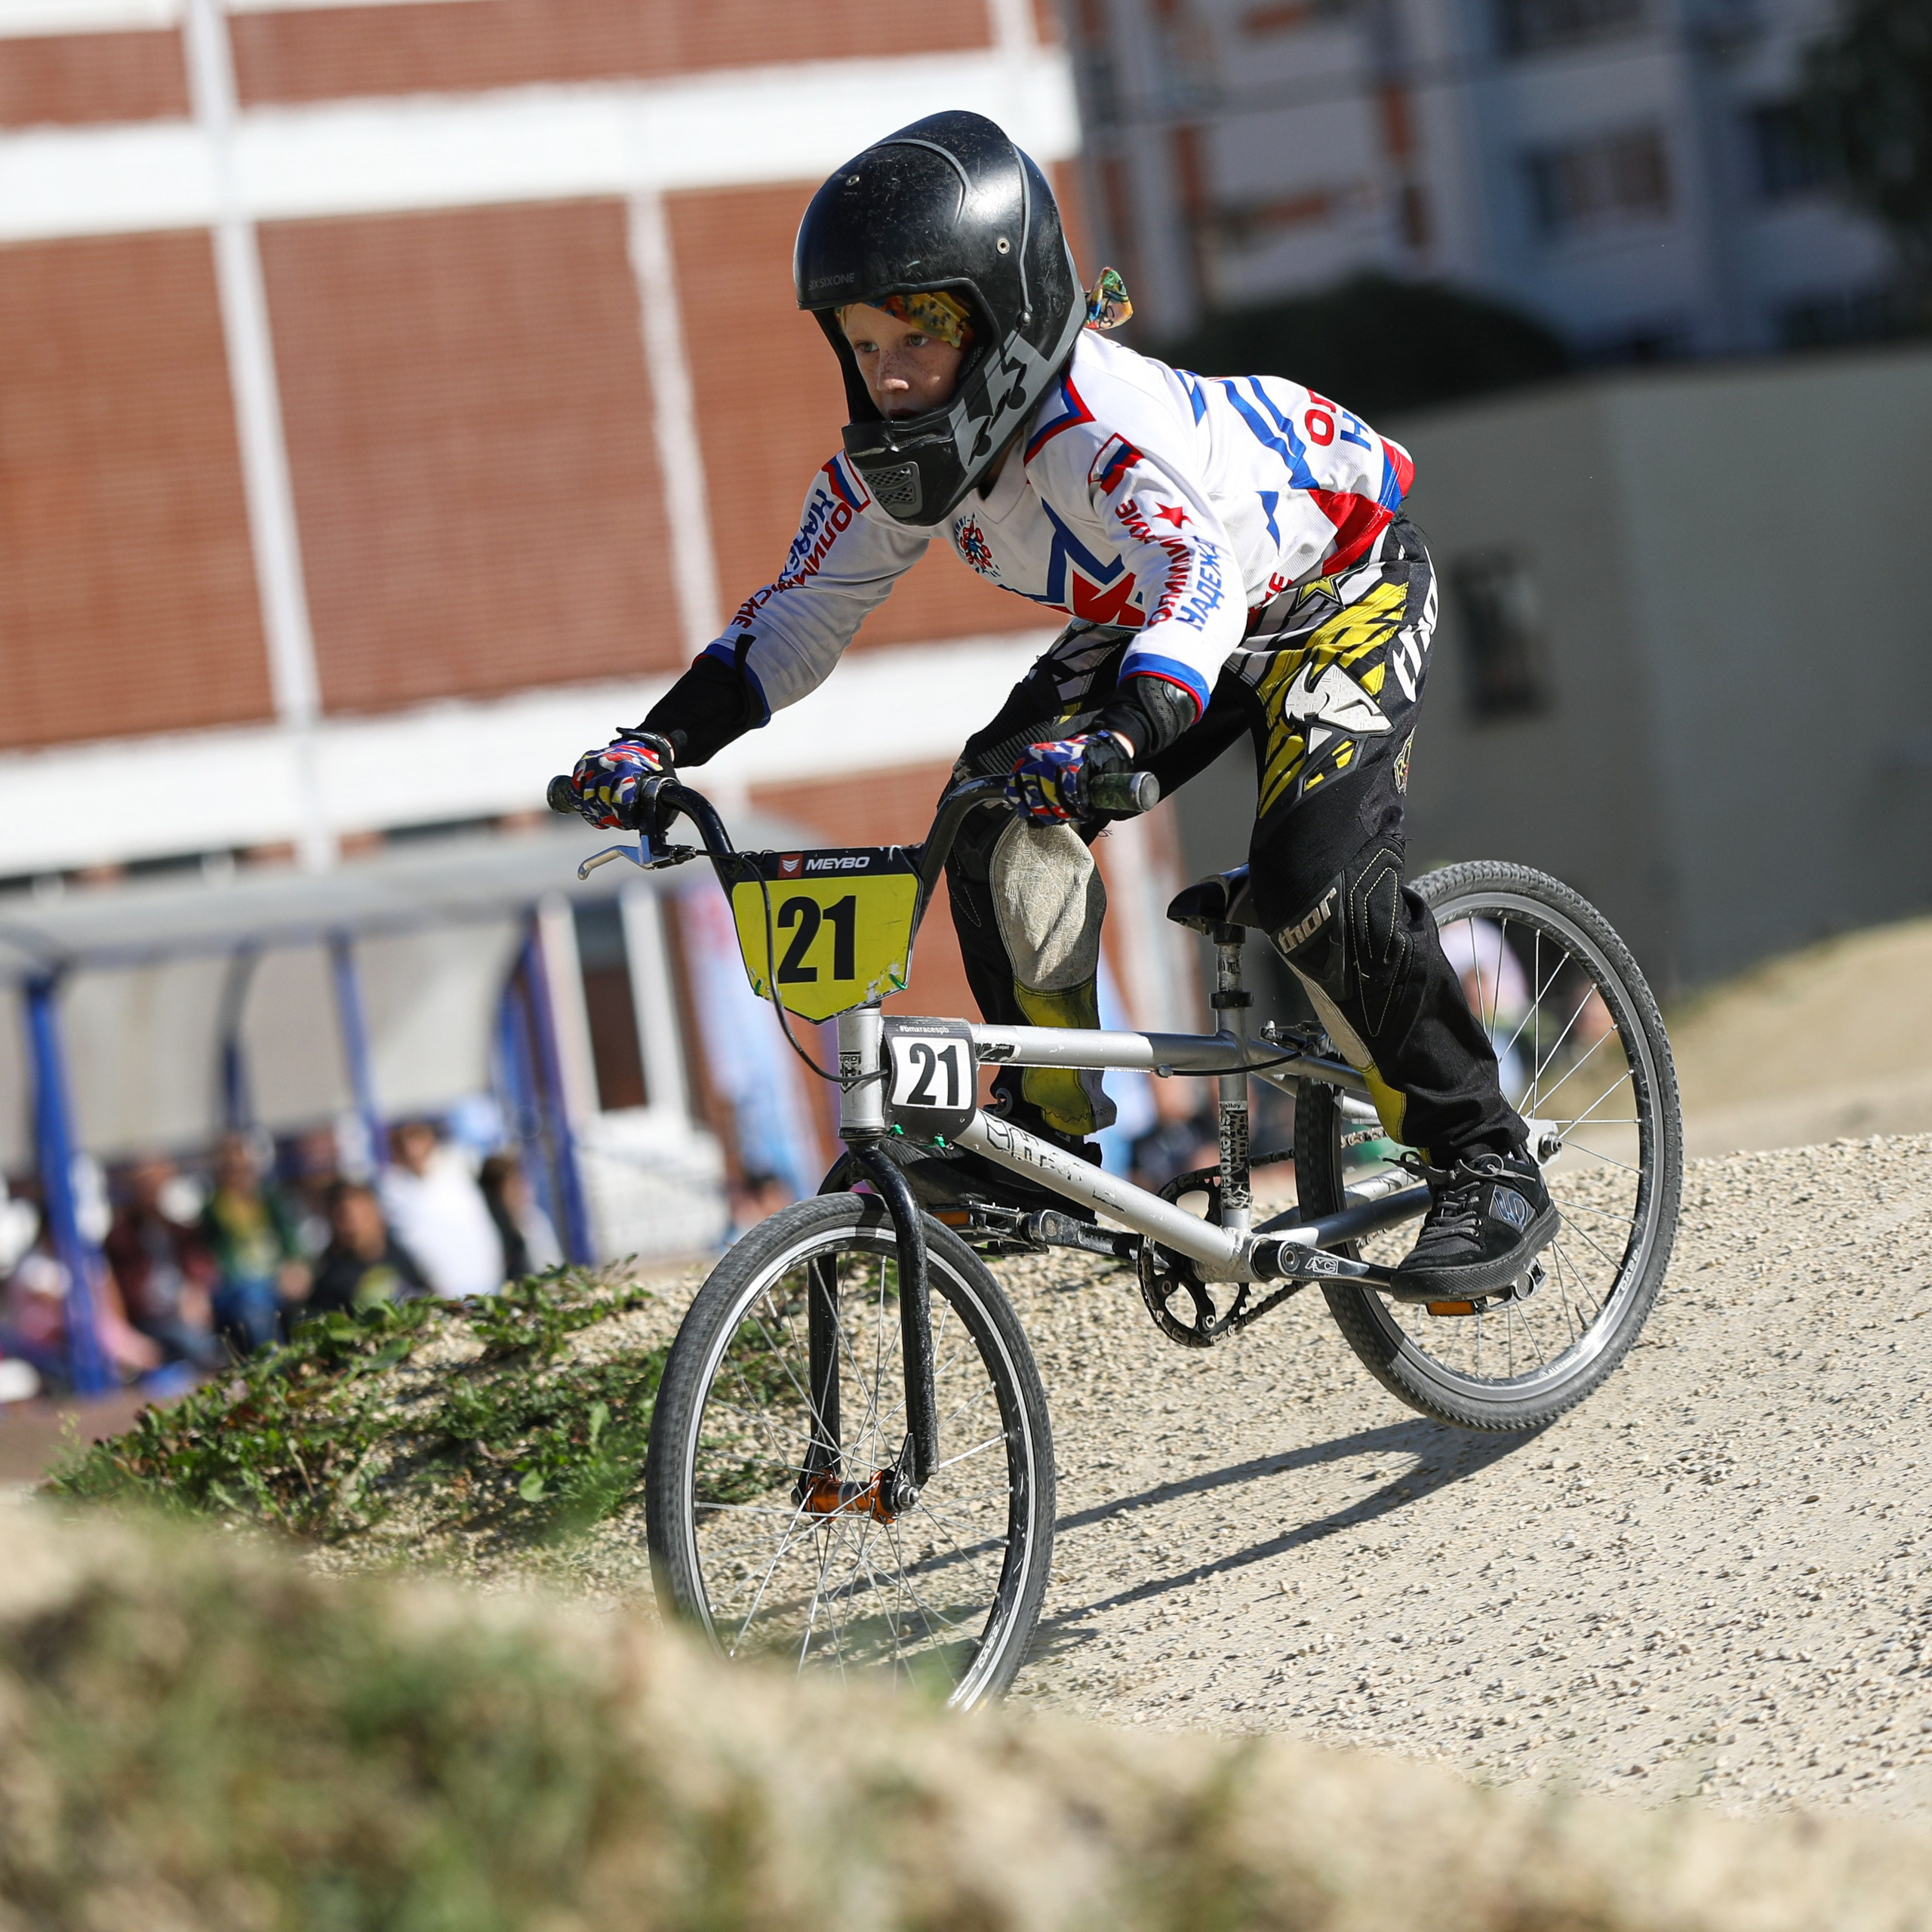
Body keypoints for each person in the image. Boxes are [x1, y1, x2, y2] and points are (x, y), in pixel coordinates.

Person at [565, 112, 1554, 1302]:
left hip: (1336, 584)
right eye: (860, 343)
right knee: (990, 811)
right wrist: (652, 744)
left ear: (1001, 322)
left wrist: (1127, 737)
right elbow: (792, 622)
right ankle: (1052, 1138)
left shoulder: (1097, 431)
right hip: (1166, 616)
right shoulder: (899, 464)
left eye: (913, 341)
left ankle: (1487, 1161)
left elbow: (1203, 583)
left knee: (1315, 887)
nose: (884, 374)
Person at [103, 1155, 221, 1371]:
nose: (152, 1194)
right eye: (145, 1188)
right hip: (151, 1321)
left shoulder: (182, 1229)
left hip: (188, 1312)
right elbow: (124, 1293)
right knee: (191, 1343)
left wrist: (197, 1292)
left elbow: (203, 1269)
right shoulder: (121, 1238)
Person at [200, 1133, 309, 1356]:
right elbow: (217, 1264)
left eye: (245, 1169)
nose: (240, 1177)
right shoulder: (215, 1211)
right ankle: (273, 1361)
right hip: (239, 1287)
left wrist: (296, 1267)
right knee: (254, 1304)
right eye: (232, 1170)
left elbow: (293, 1244)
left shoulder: (271, 1201)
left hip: (276, 1279)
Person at [379, 1121, 505, 1300]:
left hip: (489, 1278)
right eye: (403, 1142)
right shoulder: (391, 1189)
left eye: (416, 1138)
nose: (411, 1148)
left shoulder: (458, 1165)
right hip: (442, 1293)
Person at [302, 1182, 431, 1318]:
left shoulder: (399, 1254)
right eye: (346, 1218)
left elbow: (425, 1293)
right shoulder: (329, 1277)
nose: (354, 1226)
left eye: (363, 1215)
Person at [478, 1152, 562, 1283]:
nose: (522, 1191)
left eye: (522, 1183)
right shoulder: (487, 1231)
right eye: (514, 1186)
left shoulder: (534, 1220)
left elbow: (554, 1271)